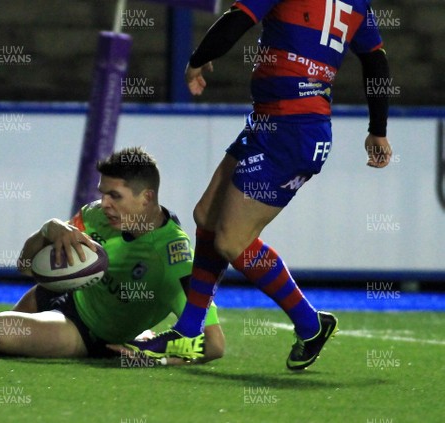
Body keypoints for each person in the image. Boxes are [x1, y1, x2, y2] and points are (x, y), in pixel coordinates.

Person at [126, 0, 392, 370]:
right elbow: (376, 60)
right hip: (273, 123)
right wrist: (378, 130)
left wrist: (198, 58)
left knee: (231, 240)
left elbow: (237, 21)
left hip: (292, 131)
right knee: (206, 216)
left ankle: (310, 323)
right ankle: (189, 330)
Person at [0, 147, 224, 365]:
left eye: (115, 196)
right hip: (63, 295)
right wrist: (48, 230)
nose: (105, 204)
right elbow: (25, 267)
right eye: (103, 194)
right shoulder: (95, 215)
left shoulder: (173, 258)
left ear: (146, 197)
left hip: (87, 332)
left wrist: (155, 355)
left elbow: (213, 344)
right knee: (17, 320)